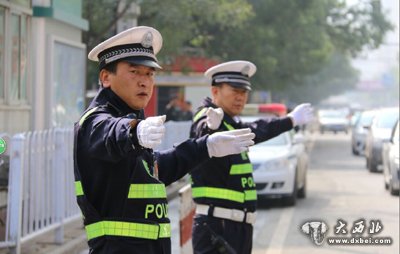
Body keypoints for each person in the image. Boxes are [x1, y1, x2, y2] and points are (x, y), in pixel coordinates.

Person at [74, 27, 256, 254]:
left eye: (149, 74)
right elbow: (110, 132)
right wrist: (134, 131)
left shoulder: (131, 119)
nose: (144, 82)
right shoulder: (95, 122)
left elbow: (160, 169)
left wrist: (205, 147)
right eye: (134, 72)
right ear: (106, 77)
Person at [189, 60, 314, 254]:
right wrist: (210, 130)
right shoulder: (209, 117)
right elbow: (201, 133)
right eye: (235, 91)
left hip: (236, 227)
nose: (240, 98)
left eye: (244, 92)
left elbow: (258, 129)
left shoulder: (232, 124)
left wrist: (290, 120)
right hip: (217, 226)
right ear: (215, 91)